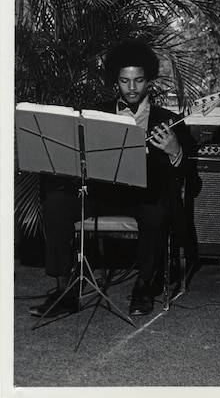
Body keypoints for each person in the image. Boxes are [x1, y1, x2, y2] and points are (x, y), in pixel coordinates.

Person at [30, 40, 188, 318]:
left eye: (138, 80)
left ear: (148, 81)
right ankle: (64, 290)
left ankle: (143, 287)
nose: (131, 88)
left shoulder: (169, 120)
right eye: (124, 81)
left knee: (156, 213)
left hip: (144, 196)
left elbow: (190, 179)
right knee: (56, 202)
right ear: (116, 81)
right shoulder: (97, 113)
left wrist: (175, 152)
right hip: (101, 194)